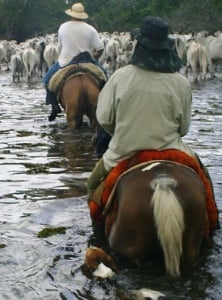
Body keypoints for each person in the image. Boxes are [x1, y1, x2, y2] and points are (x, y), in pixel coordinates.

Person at [86, 16, 212, 202]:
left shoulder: (120, 77)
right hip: (172, 150)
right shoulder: (181, 83)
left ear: (139, 45)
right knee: (206, 183)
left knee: (92, 186)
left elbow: (104, 119)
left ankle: (97, 231)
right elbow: (183, 129)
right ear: (166, 46)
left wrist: (124, 132)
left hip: (123, 152)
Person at [43, 2, 104, 121]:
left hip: (66, 61)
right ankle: (107, 106)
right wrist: (94, 58)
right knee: (105, 76)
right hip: (87, 61)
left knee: (46, 79)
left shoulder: (63, 27)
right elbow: (100, 48)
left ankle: (54, 106)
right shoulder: (90, 29)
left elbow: (60, 45)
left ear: (71, 14)